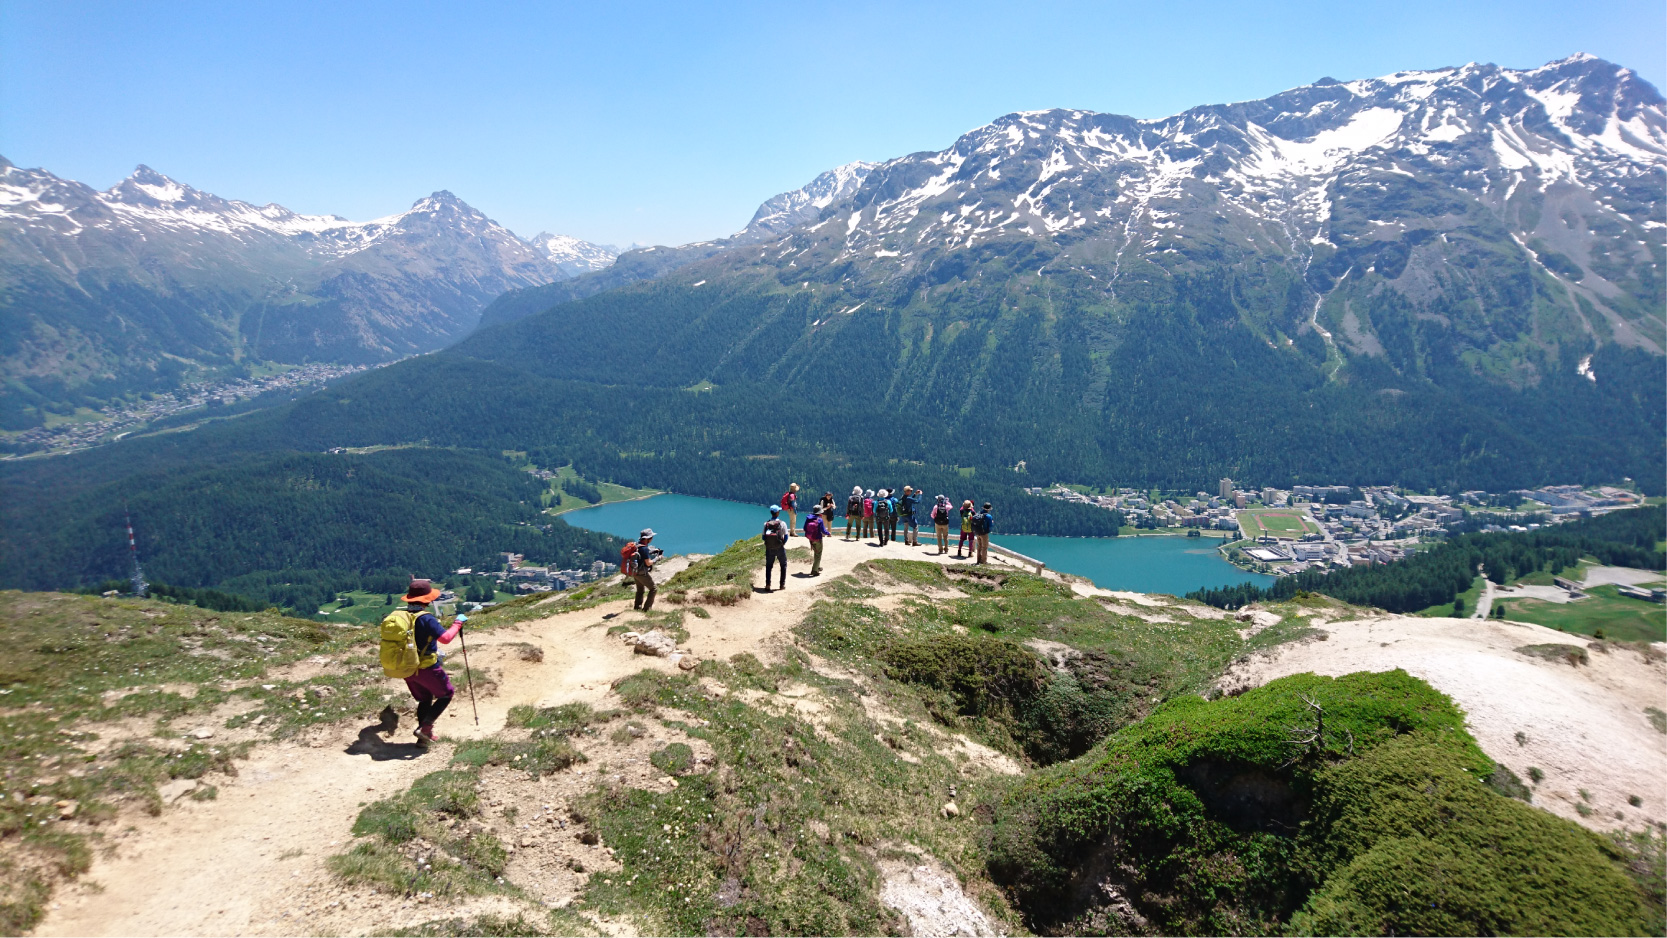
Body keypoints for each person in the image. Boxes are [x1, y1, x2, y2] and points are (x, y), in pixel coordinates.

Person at [398, 579, 464, 745]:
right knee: (446, 694)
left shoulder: (402, 617)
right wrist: (458, 623)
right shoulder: (426, 619)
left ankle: (423, 740)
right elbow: (446, 638)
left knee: (425, 699)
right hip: (426, 667)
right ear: (427, 599)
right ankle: (425, 729)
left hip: (406, 667)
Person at [629, 528, 661, 611]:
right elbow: (648, 563)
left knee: (640, 590)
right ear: (648, 538)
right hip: (642, 573)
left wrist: (653, 551)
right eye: (651, 537)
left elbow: (642, 554)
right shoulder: (644, 548)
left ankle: (637, 607)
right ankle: (647, 608)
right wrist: (657, 558)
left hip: (635, 572)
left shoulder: (637, 545)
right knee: (653, 589)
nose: (652, 539)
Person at [762, 505, 791, 591]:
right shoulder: (782, 523)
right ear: (777, 513)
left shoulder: (766, 524)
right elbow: (786, 536)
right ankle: (782, 585)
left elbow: (763, 537)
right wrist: (782, 543)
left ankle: (768, 584)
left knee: (768, 566)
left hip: (769, 548)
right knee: (783, 565)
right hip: (780, 548)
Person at [804, 505, 830, 576]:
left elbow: (804, 528)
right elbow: (823, 530)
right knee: (818, 554)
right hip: (818, 538)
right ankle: (814, 571)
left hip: (811, 539)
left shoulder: (808, 518)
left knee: (816, 552)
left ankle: (817, 566)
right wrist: (828, 533)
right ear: (820, 512)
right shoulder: (819, 519)